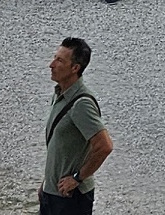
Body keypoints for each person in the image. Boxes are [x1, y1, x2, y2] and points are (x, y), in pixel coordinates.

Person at [44, 37, 113, 213]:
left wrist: (76, 178)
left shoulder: (81, 104)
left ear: (75, 68)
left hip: (71, 197)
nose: (51, 64)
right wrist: (45, 185)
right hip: (53, 193)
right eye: (54, 57)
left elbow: (104, 146)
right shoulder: (60, 94)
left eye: (59, 60)